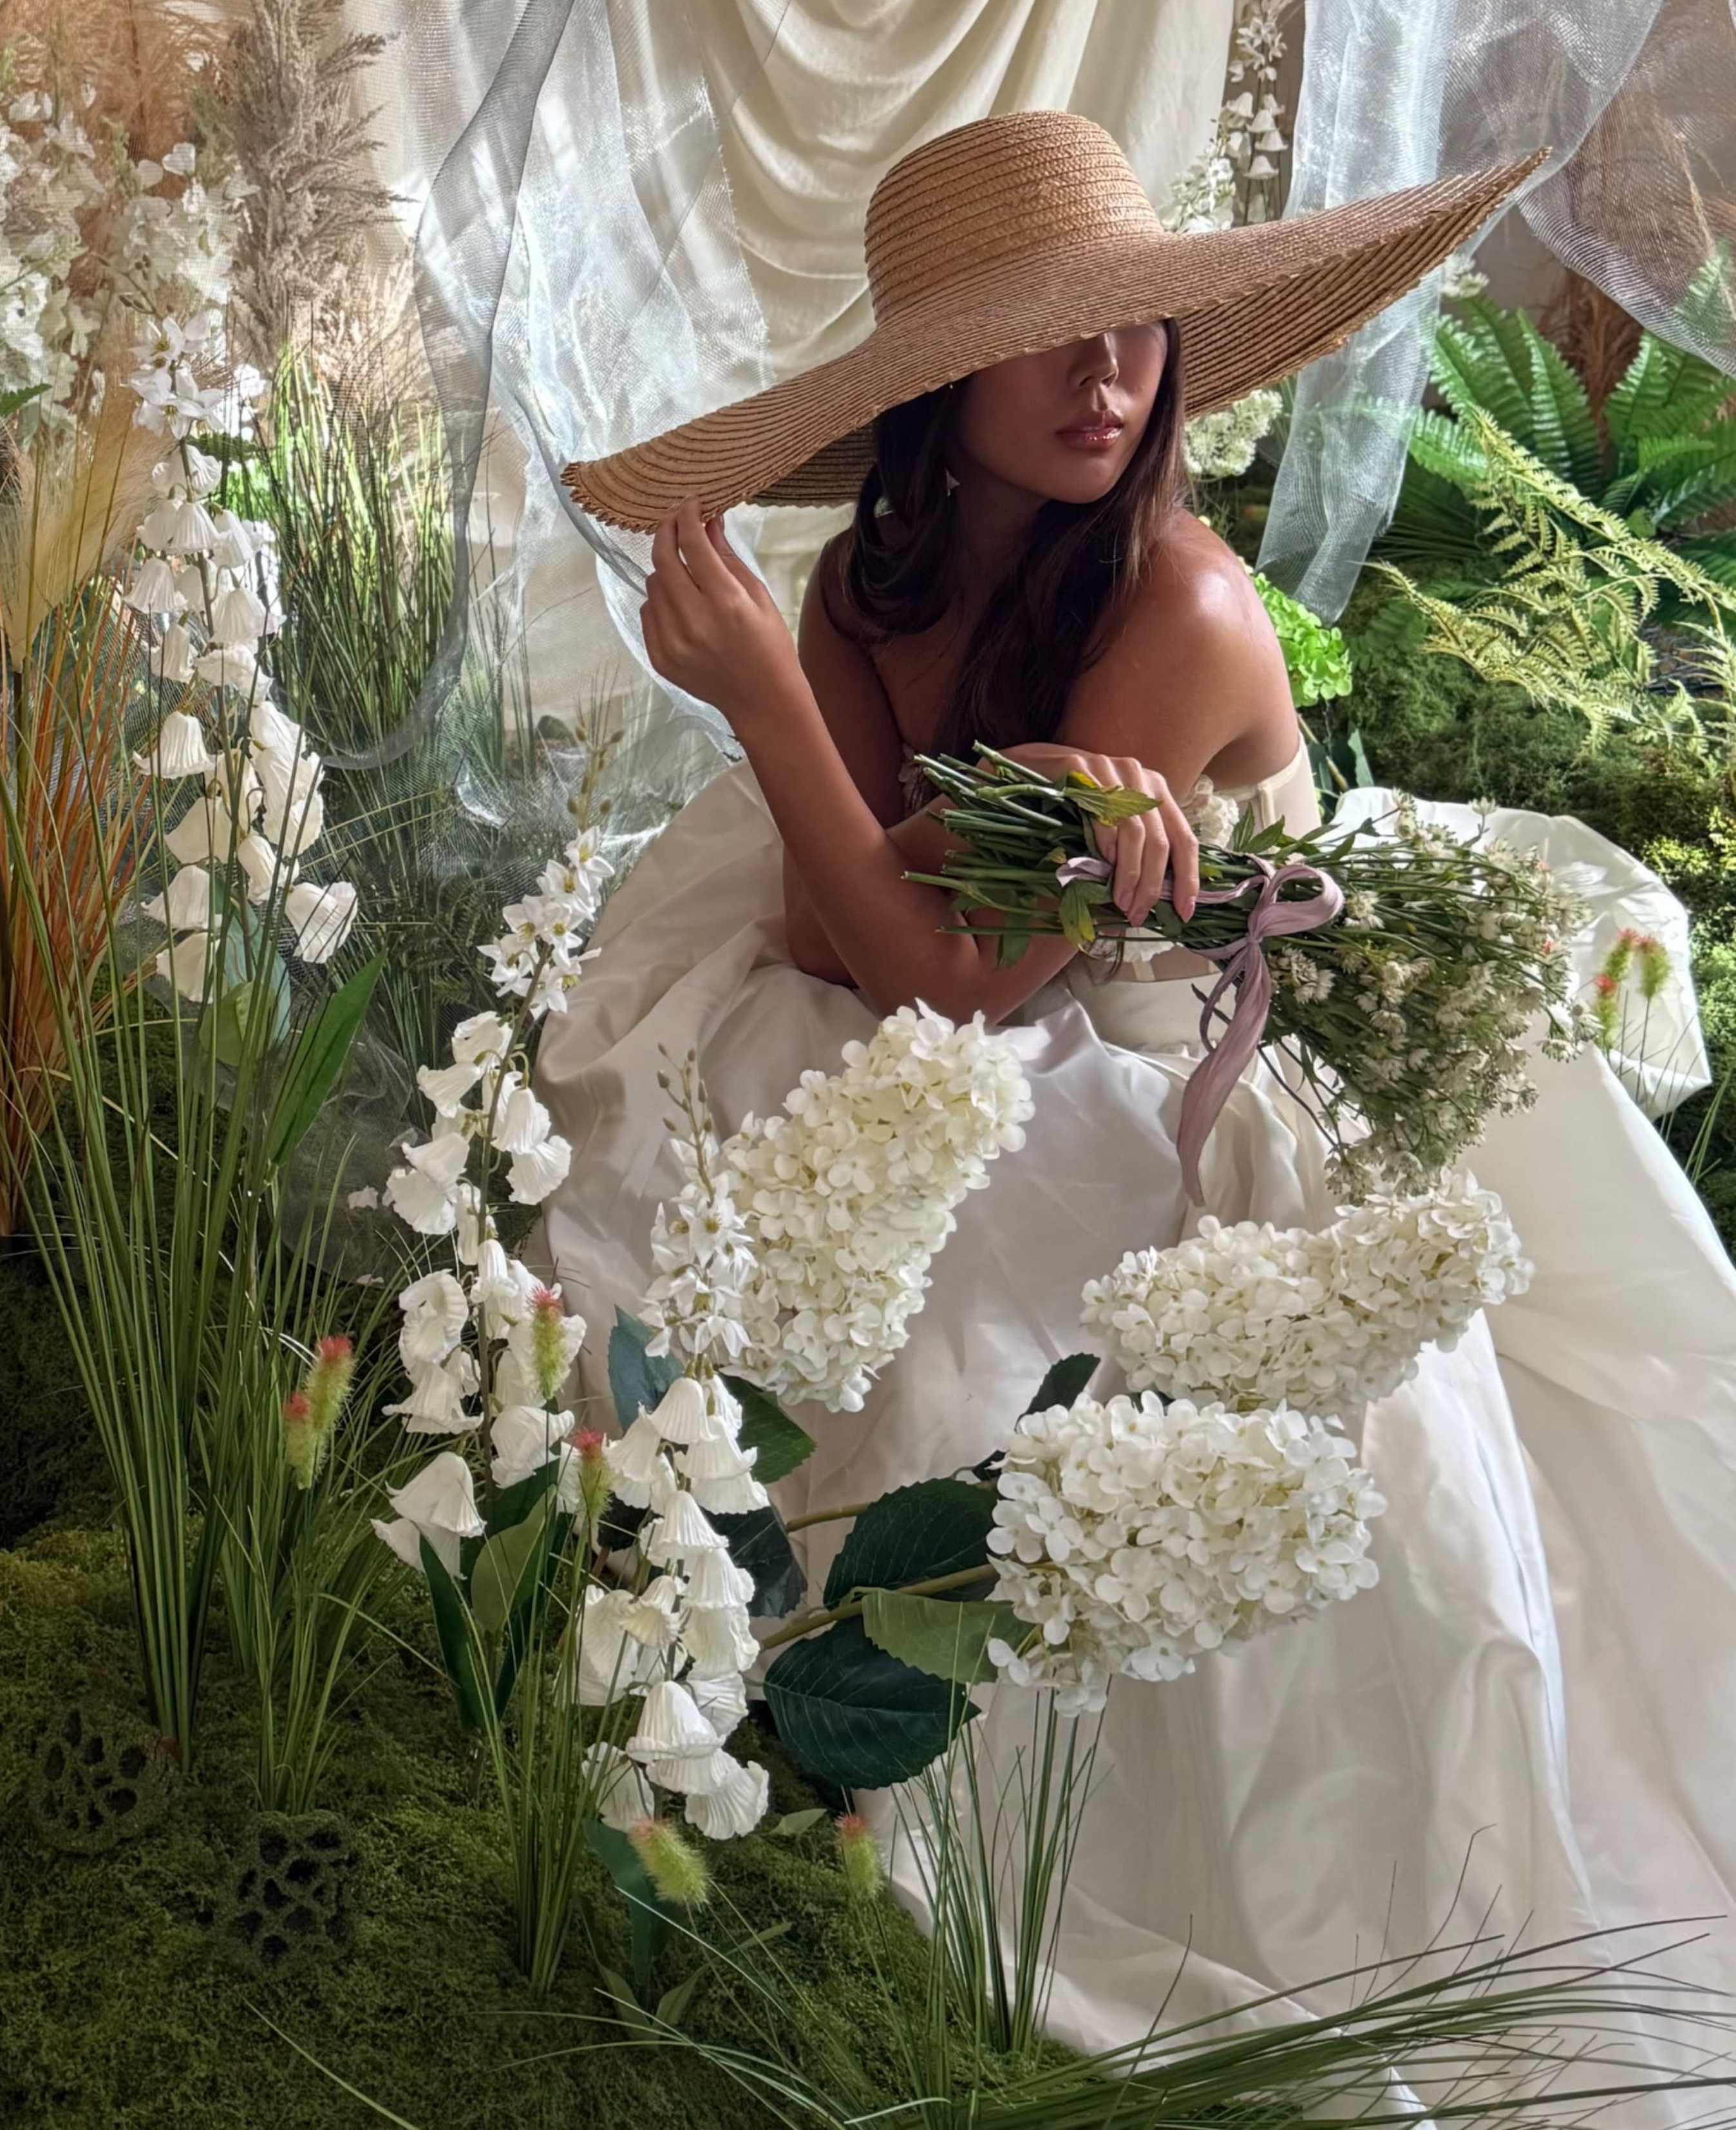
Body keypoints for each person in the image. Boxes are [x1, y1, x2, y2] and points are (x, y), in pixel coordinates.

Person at [541, 107, 1736, 2069]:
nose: (1111, 376)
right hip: (996, 1035)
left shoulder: (1175, 612)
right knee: (761, 1092)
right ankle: (720, 1649)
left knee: (1002, 1269)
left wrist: (764, 715)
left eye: (1140, 327)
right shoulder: (864, 587)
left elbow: (943, 973)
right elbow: (844, 941)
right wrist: (853, 777)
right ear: (936, 379)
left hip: (1199, 1070)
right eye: (1049, 333)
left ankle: (930, 1755)